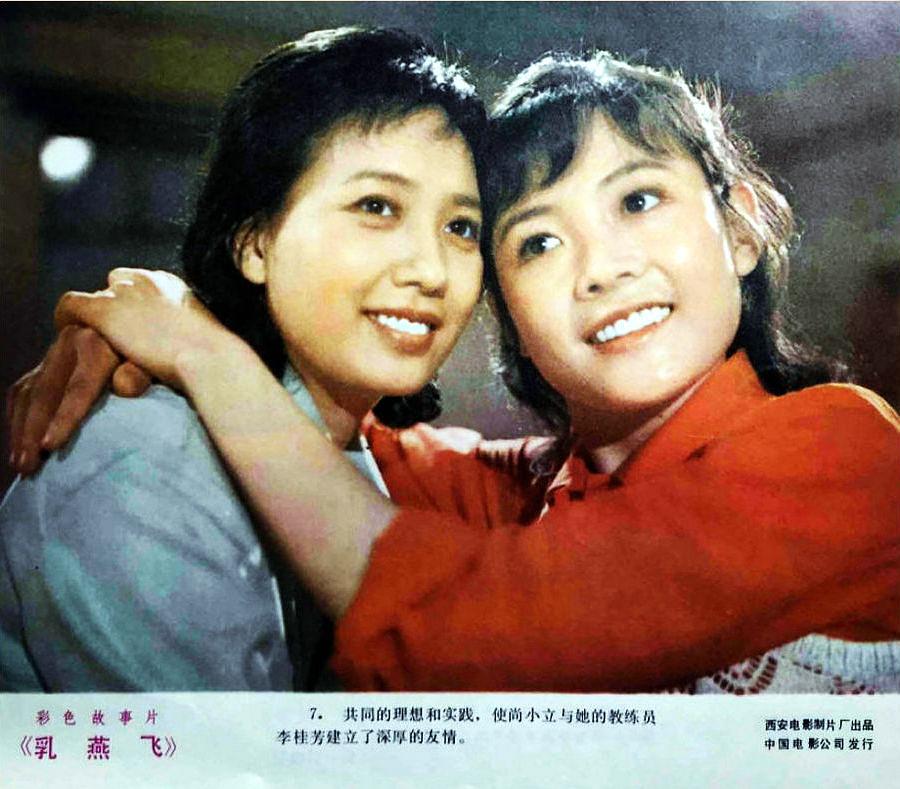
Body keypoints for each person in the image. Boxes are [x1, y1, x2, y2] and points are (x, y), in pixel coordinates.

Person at [9, 53, 900, 693]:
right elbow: (323, 426)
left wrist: (199, 348)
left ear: (742, 227)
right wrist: (163, 323)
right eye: (537, 242)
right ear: (505, 307)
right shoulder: (519, 490)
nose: (602, 268)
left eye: (638, 199)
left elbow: (472, 620)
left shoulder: (844, 449)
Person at [0, 27, 487, 691]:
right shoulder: (146, 464)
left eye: (461, 227)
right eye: (376, 206)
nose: (431, 270)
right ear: (254, 244)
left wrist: (192, 341)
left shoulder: (368, 465)